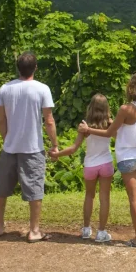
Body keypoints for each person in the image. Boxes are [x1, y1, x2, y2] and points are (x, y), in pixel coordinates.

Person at [79, 72, 136, 248]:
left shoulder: (125, 109)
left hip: (128, 156)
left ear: (131, 89)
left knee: (134, 198)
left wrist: (88, 129)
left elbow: (109, 132)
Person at [0, 52, 58, 242]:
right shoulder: (42, 89)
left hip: (10, 147)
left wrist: (7, 139)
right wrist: (54, 144)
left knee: (1, 188)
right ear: (35, 67)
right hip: (33, 147)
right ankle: (34, 230)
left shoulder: (5, 89)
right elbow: (49, 120)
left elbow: (1, 120)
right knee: (35, 189)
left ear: (17, 68)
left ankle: (0, 225)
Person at [49, 94, 114, 243]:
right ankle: (101, 232)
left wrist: (57, 154)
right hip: (106, 163)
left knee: (89, 196)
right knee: (104, 198)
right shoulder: (110, 123)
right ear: (106, 108)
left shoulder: (84, 126)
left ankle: (86, 229)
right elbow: (119, 137)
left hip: (90, 165)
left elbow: (73, 148)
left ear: (90, 107)